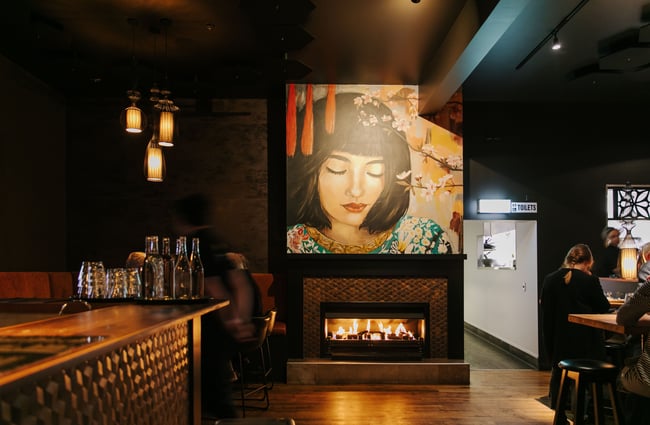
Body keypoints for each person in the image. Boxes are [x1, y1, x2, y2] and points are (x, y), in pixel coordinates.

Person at [286, 91, 452, 254]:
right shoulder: (291, 244)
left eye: (374, 171)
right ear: (310, 173)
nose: (356, 190)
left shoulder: (423, 241)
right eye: (337, 169)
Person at [171, 193, 263, 419]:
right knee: (216, 393)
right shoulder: (219, 240)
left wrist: (234, 323)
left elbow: (215, 289)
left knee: (213, 396)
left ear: (182, 219)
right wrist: (242, 320)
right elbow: (241, 283)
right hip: (232, 326)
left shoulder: (196, 245)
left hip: (213, 330)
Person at [539, 243, 611, 408]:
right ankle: (583, 413)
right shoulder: (590, 280)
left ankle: (559, 413)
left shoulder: (550, 279)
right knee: (586, 378)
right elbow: (603, 306)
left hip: (558, 341)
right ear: (588, 262)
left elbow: (546, 313)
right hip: (587, 344)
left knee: (559, 373)